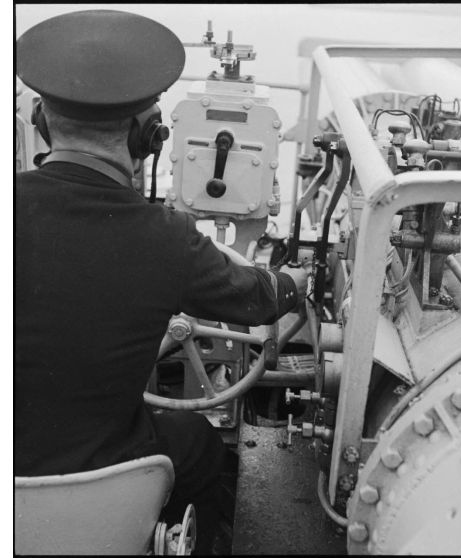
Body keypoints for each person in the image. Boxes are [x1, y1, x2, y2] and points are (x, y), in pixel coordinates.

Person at [15, 9, 308, 555]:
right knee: (199, 442)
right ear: (148, 137)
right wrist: (294, 281)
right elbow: (259, 300)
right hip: (97, 478)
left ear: (40, 119)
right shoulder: (166, 239)